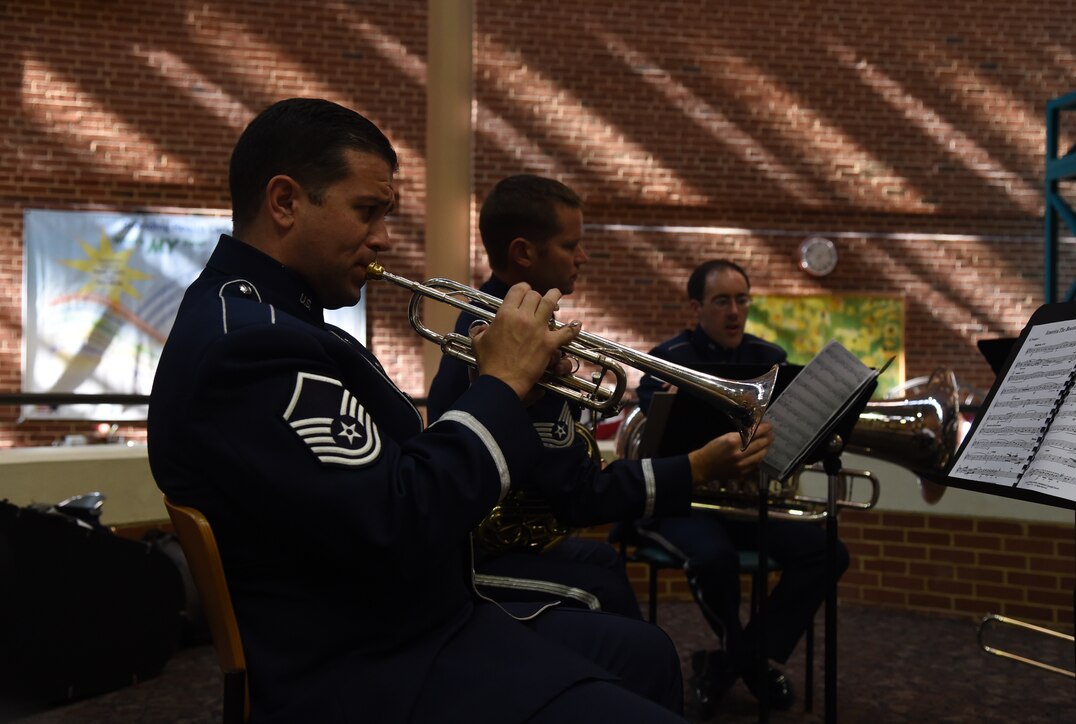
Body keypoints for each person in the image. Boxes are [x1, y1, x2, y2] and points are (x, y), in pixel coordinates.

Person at [147, 98, 770, 723]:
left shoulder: (278, 321)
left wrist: (506, 391)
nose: (384, 238)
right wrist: (500, 384)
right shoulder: (253, 344)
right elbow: (400, 520)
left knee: (649, 659)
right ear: (284, 202)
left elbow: (388, 479)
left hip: (408, 620)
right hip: (372, 665)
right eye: (367, 211)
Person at [634, 259, 851, 718]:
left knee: (829, 550)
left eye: (742, 299)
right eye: (721, 301)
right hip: (684, 506)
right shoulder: (665, 360)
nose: (735, 311)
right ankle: (752, 664)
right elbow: (660, 436)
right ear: (696, 306)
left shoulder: (770, 357)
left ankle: (730, 663)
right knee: (714, 559)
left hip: (747, 506)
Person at [428, 174, 639, 619]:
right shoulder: (500, 336)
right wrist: (695, 468)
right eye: (570, 245)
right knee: (603, 593)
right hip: (471, 550)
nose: (582, 257)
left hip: (502, 529)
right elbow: (577, 495)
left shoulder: (507, 321)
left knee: (605, 561)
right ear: (524, 252)